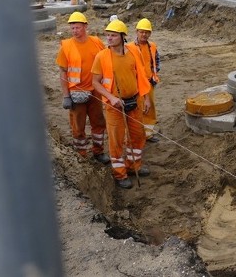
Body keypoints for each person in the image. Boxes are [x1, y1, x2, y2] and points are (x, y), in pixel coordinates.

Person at [91, 19, 152, 189]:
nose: (109, 39)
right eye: (108, 35)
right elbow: (95, 82)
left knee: (137, 136)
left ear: (122, 37)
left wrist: (146, 97)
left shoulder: (133, 52)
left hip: (134, 102)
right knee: (116, 140)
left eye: (113, 35)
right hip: (114, 106)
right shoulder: (102, 56)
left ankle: (133, 166)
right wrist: (111, 97)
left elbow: (141, 76)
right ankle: (120, 174)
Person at [55, 11, 110, 164]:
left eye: (78, 27)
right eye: (72, 28)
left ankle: (98, 151)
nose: (75, 31)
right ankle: (81, 153)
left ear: (85, 26)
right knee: (78, 126)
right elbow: (63, 72)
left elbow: (106, 61)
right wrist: (66, 96)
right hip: (76, 93)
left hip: (95, 92)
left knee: (98, 122)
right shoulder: (66, 46)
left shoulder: (96, 42)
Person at [133, 18, 161, 143]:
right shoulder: (130, 47)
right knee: (136, 109)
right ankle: (136, 134)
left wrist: (153, 75)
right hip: (135, 84)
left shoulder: (152, 46)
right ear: (137, 32)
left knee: (150, 109)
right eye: (141, 32)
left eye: (146, 32)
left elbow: (156, 61)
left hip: (149, 83)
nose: (144, 34)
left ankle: (148, 134)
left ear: (150, 33)